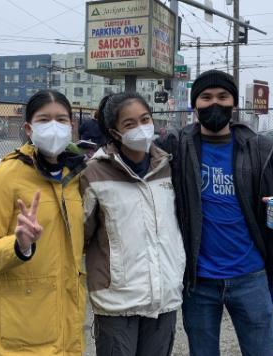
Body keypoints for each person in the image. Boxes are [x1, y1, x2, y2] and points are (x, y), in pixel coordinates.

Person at [156, 70, 273, 356]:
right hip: (198, 280)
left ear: (234, 104)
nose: (214, 104)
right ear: (194, 104)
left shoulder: (260, 148)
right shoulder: (176, 146)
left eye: (223, 97)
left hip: (251, 275)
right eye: (206, 97)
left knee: (263, 351)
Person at [0, 89, 87, 355]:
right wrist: (18, 246)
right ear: (29, 128)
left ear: (72, 126)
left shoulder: (74, 179)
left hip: (64, 334)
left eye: (61, 120)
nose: (54, 126)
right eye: (44, 120)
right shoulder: (3, 178)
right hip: (12, 340)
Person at [80, 92, 185, 356]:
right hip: (117, 303)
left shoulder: (169, 166)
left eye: (145, 119)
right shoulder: (94, 174)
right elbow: (80, 235)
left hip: (164, 297)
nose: (141, 128)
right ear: (114, 132)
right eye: (129, 124)